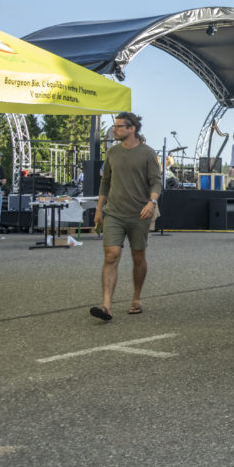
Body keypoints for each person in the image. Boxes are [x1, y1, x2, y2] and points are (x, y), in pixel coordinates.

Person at [91, 112, 161, 320]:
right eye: (115, 126)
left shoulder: (147, 153)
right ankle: (106, 306)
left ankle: (136, 298)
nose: (115, 129)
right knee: (111, 255)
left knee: (138, 256)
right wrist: (98, 209)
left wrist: (152, 202)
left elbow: (156, 181)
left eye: (119, 126)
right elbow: (105, 183)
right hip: (114, 213)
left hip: (140, 213)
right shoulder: (112, 153)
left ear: (132, 129)